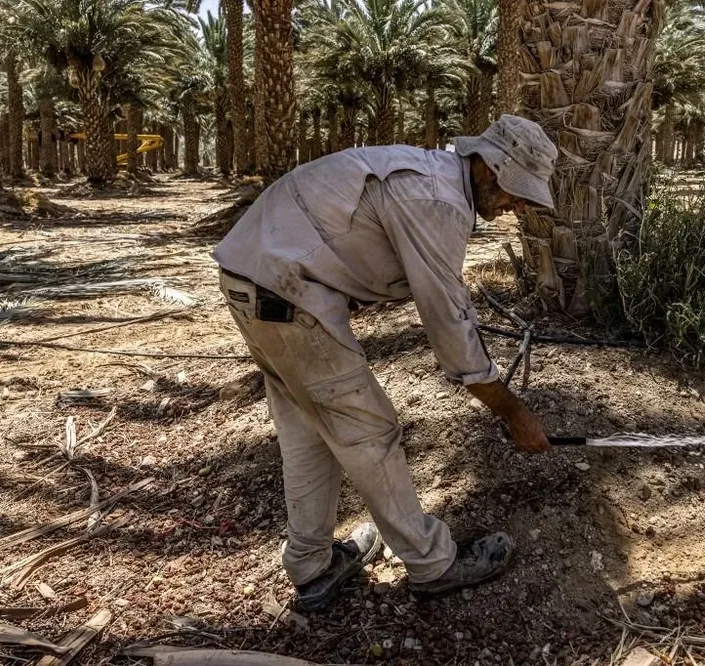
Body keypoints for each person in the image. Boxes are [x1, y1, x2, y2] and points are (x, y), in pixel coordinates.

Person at [213, 115, 556, 611]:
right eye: (515, 191)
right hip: (288, 293)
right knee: (370, 433)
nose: (517, 206)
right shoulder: (437, 202)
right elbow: (449, 326)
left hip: (253, 281)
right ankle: (432, 563)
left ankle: (311, 567)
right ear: (488, 166)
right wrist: (513, 411)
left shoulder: (431, 177)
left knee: (310, 431)